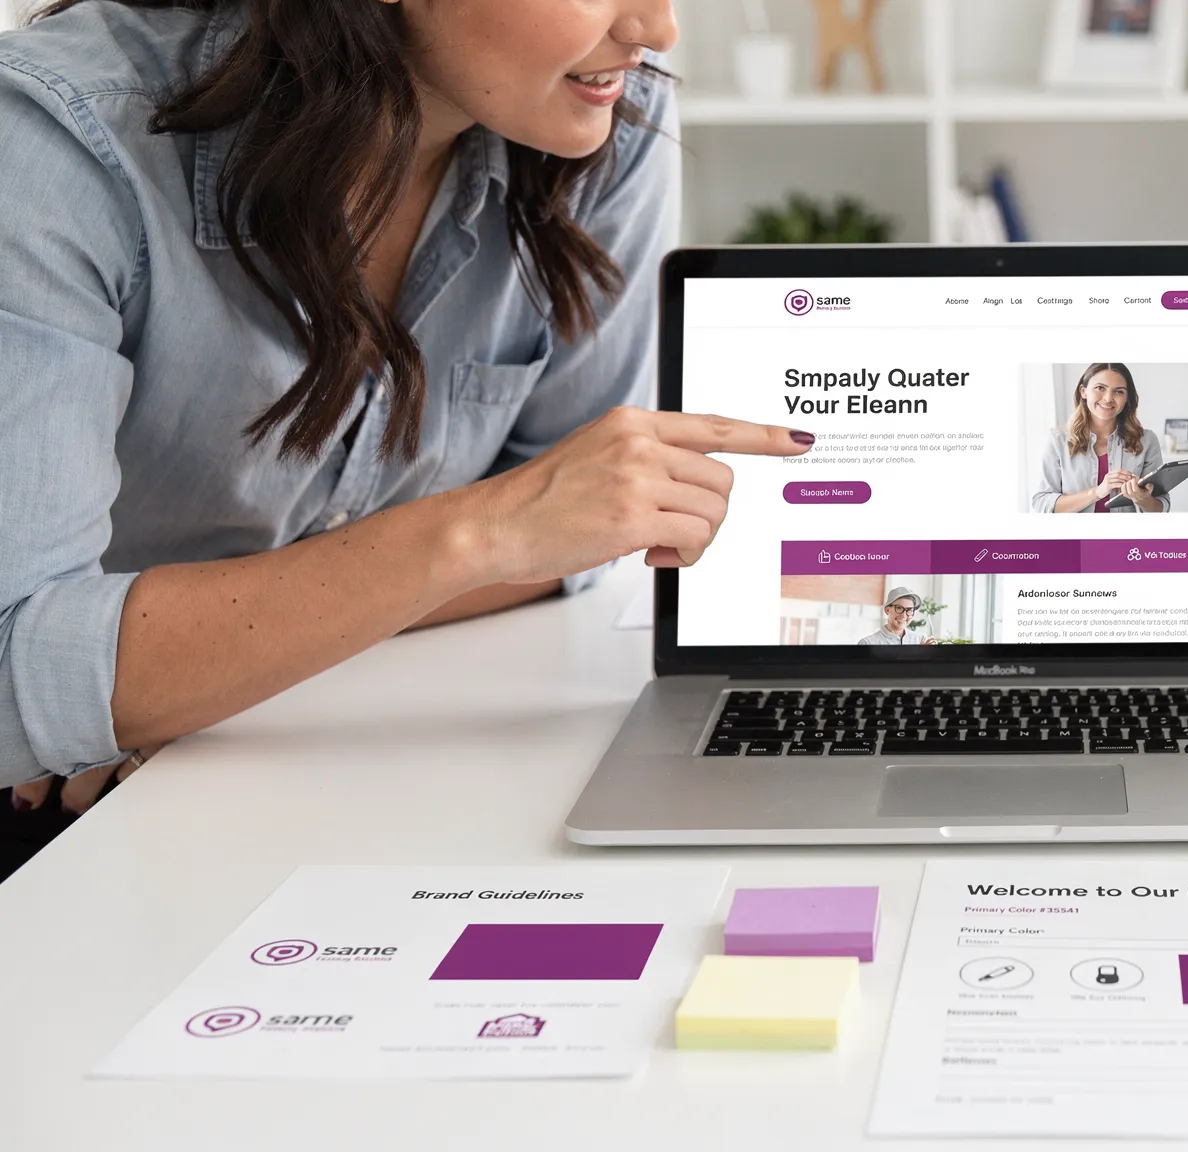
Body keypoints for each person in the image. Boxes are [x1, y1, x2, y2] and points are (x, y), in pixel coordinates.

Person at [0, 0, 811, 848]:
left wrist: (203, 671)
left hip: (308, 772)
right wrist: (474, 534)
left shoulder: (602, 117)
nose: (657, 28)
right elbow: (18, 669)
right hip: (70, 834)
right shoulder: (57, 144)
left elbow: (580, 532)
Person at [1031, 363, 1169, 514]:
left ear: (1127, 398)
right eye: (1100, 388)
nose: (1108, 398)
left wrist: (1142, 499)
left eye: (1119, 391)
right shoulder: (1058, 440)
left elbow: (1160, 508)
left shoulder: (1147, 441)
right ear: (1083, 391)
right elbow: (1041, 503)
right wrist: (1097, 492)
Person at [859, 588, 939, 646]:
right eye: (899, 608)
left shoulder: (921, 640)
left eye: (909, 610)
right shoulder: (867, 643)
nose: (904, 615)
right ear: (887, 610)